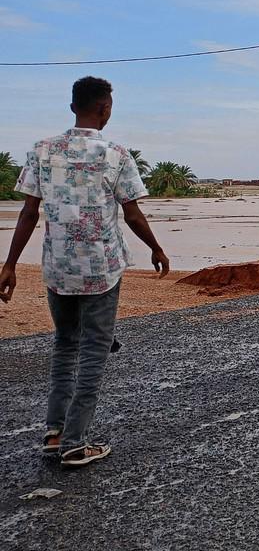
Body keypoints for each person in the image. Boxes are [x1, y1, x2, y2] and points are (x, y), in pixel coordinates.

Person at [0, 77, 169, 467]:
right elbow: (132, 213)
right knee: (94, 349)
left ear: (73, 106)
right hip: (101, 269)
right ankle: (75, 442)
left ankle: (55, 432)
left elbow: (28, 212)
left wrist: (9, 265)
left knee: (65, 344)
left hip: (57, 268)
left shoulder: (42, 151)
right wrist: (156, 248)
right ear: (104, 108)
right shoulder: (116, 154)